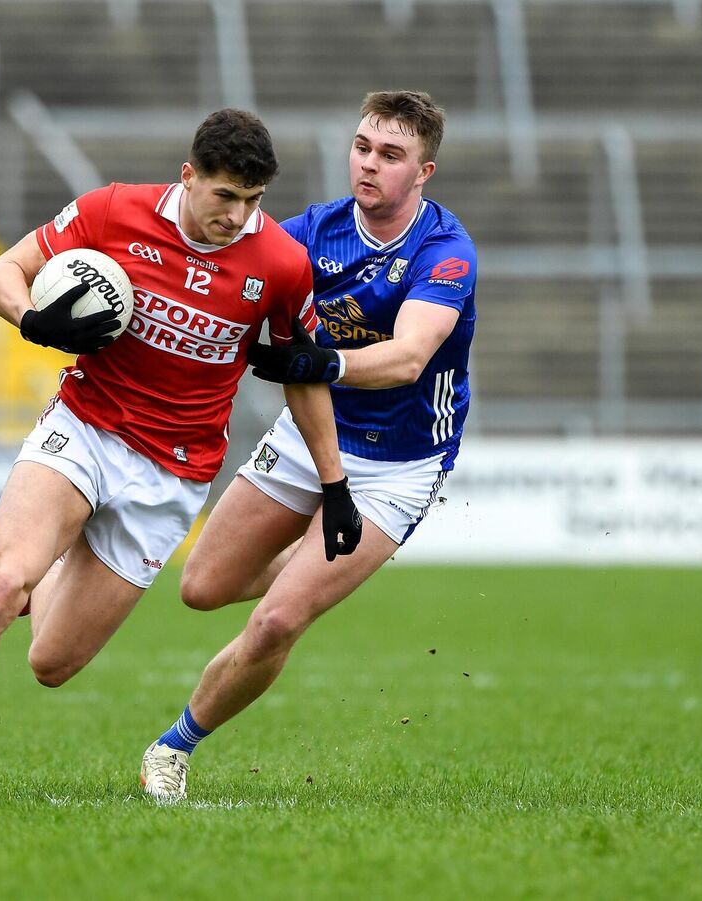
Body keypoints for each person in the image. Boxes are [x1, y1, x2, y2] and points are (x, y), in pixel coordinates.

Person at [0, 108, 362, 802]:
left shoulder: (281, 264)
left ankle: (48, 575)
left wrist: (335, 483)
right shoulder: (112, 212)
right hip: (85, 428)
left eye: (252, 202)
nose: (238, 215)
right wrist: (33, 320)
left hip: (170, 475)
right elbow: (0, 273)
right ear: (189, 177)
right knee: (1, 582)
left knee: (51, 661)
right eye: (225, 196)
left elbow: (301, 375)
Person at [139, 91, 476, 800]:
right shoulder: (309, 233)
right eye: (362, 147)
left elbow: (411, 356)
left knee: (279, 619)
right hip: (309, 434)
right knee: (202, 587)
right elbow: (223, 271)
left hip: (400, 464)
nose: (369, 164)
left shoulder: (445, 252)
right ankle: (309, 557)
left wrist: (321, 363)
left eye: (391, 155)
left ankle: (173, 748)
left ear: (424, 172)